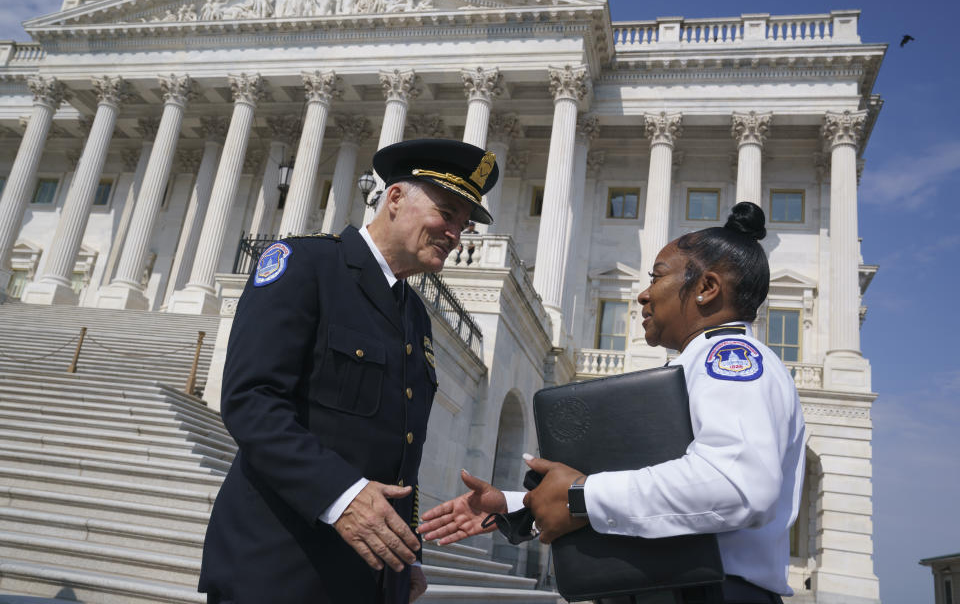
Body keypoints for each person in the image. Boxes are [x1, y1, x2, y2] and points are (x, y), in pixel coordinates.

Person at [419, 202, 806, 604]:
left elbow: (737, 486)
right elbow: (647, 482)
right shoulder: (695, 365)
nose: (643, 294)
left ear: (706, 289)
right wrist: (518, 504)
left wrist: (580, 497)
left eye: (657, 277)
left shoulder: (728, 359)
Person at [199, 139, 500, 604]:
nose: (456, 233)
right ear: (395, 199)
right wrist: (341, 495)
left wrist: (408, 556)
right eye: (447, 212)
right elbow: (251, 401)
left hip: (368, 573)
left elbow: (404, 447)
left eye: (464, 224)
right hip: (280, 564)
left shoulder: (414, 313)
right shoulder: (306, 265)